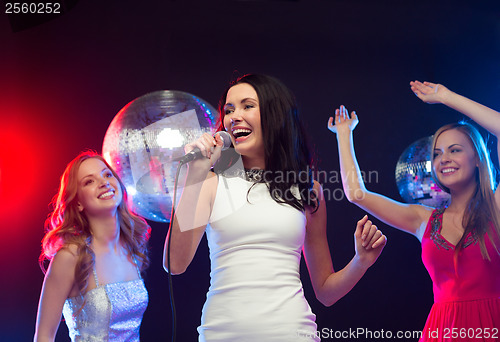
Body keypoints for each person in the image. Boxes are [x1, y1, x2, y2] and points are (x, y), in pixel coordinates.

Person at [163, 73, 387, 341]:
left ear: (274, 116)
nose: (234, 117)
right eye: (229, 110)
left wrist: (360, 262)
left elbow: (326, 292)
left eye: (247, 106)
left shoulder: (308, 190)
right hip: (222, 334)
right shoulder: (210, 183)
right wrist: (196, 172)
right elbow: (174, 264)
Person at [328, 80, 500, 341]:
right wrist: (344, 133)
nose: (444, 159)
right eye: (438, 153)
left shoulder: (496, 207)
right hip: (440, 331)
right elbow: (356, 194)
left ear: (477, 158)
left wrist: (446, 96)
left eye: (455, 150)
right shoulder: (423, 219)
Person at [34, 151, 151, 342]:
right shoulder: (70, 256)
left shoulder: (131, 248)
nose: (104, 182)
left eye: (107, 174)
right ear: (78, 202)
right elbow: (43, 337)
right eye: (89, 181)